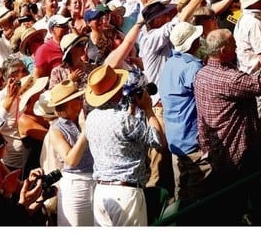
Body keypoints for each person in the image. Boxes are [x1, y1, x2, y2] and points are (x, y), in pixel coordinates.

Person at [193, 29, 261, 223]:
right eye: (233, 44)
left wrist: (205, 146)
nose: (237, 48)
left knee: (227, 201)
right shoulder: (231, 79)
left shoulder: (201, 74)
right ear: (224, 50)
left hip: (216, 151)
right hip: (239, 152)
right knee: (239, 200)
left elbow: (201, 115)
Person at [84, 65, 165, 226]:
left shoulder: (91, 118)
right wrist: (148, 109)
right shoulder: (124, 120)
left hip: (101, 191)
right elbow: (157, 140)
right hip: (126, 193)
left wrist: (131, 108)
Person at [158, 22, 209, 204]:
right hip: (193, 143)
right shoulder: (193, 68)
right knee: (199, 198)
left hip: (176, 142)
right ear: (193, 42)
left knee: (181, 194)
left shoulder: (170, 63)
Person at [47, 80, 95, 226]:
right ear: (66, 104)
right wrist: (84, 132)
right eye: (77, 98)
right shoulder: (56, 129)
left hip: (96, 180)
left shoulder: (86, 118)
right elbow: (71, 160)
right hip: (76, 186)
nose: (81, 100)